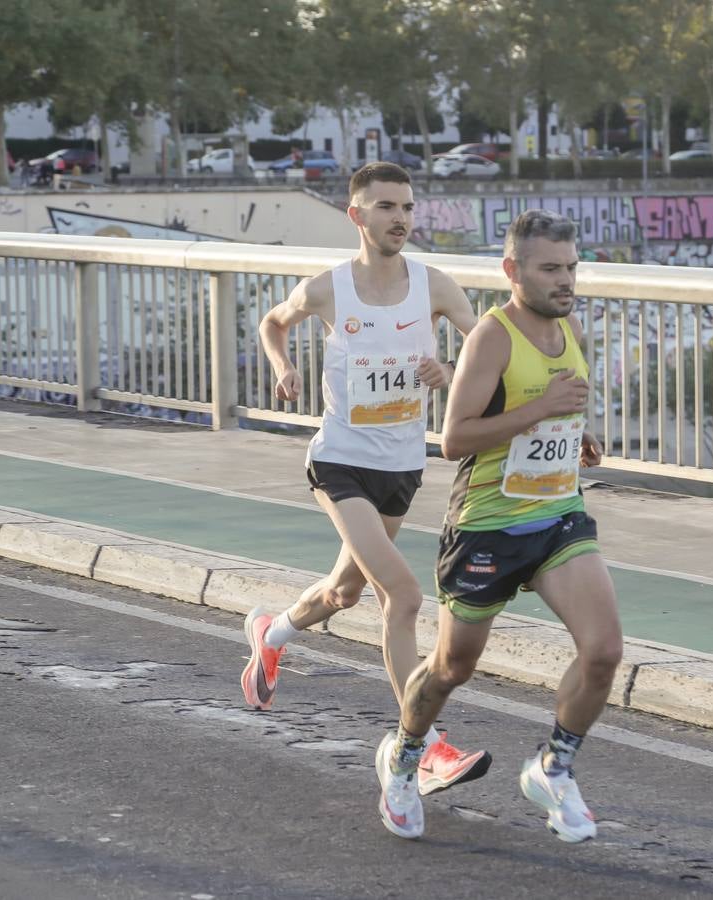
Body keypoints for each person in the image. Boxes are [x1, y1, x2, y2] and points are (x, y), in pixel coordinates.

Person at [243, 161, 490, 796]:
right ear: (357, 216)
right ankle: (425, 745)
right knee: (402, 597)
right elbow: (274, 322)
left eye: (407, 206)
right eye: (385, 207)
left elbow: (491, 350)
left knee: (343, 593)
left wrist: (452, 369)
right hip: (340, 462)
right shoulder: (329, 288)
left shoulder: (435, 284)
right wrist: (282, 366)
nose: (400, 218)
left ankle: (270, 634)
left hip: (402, 467)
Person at [375, 209, 623, 843]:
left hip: (556, 518)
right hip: (486, 528)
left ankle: (554, 767)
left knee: (603, 652)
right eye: (550, 270)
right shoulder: (492, 335)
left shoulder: (567, 330)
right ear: (513, 270)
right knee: (451, 667)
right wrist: (542, 408)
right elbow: (456, 439)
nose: (565, 282)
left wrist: (572, 433)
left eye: (571, 268)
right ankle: (405, 759)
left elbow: (539, 413)